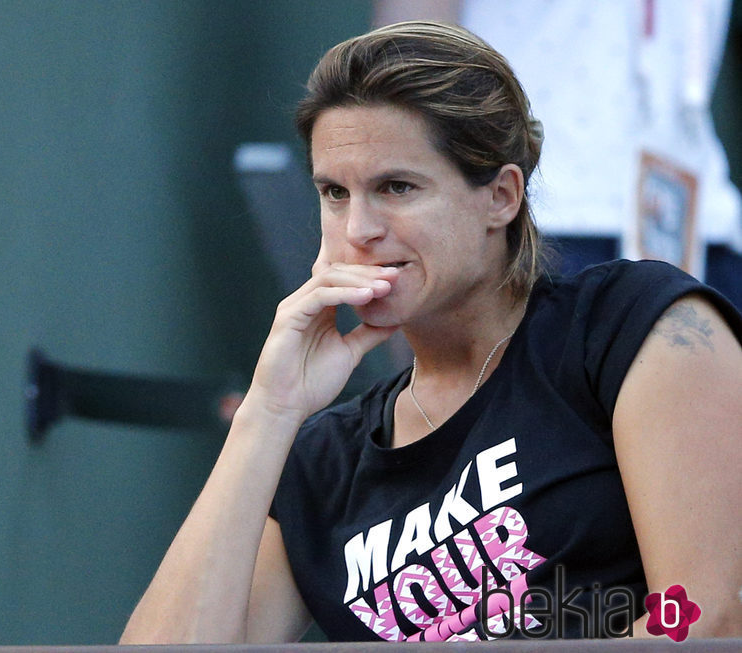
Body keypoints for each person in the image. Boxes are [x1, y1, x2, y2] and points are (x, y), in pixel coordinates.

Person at [121, 21, 742, 643]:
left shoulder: (629, 328)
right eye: (334, 193)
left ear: (500, 197)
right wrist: (269, 411)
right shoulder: (323, 465)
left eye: (396, 188)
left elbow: (707, 620)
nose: (358, 228)